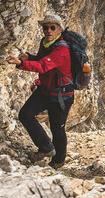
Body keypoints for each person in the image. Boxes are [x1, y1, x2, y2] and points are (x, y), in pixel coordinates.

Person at [6, 14, 74, 169]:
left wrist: (21, 63)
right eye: (45, 27)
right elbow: (41, 60)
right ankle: (46, 147)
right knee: (25, 114)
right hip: (46, 90)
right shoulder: (46, 43)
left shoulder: (62, 49)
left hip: (60, 95)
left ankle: (58, 161)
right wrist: (29, 57)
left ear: (59, 30)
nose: (48, 30)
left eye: (52, 27)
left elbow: (43, 66)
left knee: (57, 129)